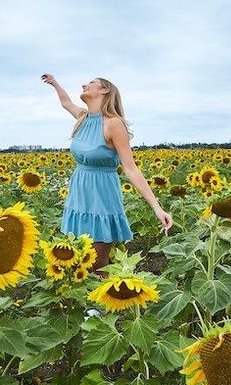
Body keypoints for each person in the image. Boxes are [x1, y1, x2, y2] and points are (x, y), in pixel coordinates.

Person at [42, 73, 173, 278]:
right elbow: (66, 102)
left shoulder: (114, 124)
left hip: (101, 197)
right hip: (79, 196)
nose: (84, 84)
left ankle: (104, 298)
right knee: (78, 260)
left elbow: (130, 168)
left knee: (97, 263)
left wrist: (157, 208)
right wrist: (55, 83)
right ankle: (87, 296)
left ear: (104, 90)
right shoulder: (82, 117)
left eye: (91, 83)